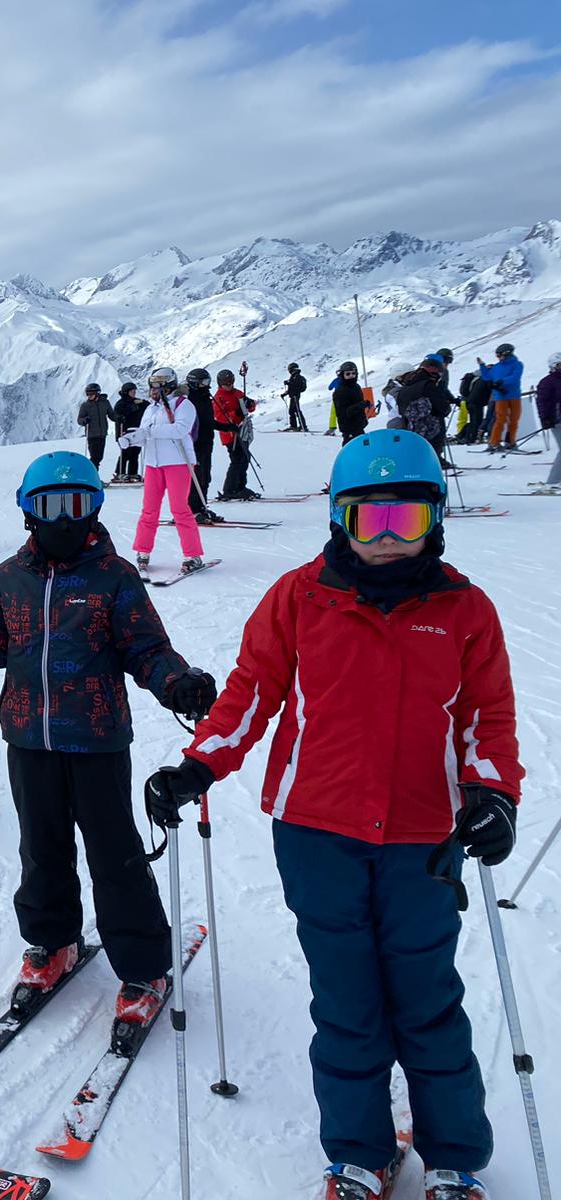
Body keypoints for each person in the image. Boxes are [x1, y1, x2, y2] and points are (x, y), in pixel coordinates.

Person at [145, 430, 521, 1200]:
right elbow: (250, 693)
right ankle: (360, 1151)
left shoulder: (464, 611)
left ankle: (451, 1156)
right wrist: (198, 765)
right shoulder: (299, 598)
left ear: (434, 520)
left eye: (405, 522)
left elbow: (488, 719)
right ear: (339, 520)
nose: (386, 541)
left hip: (423, 837)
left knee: (427, 999)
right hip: (316, 831)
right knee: (346, 999)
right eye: (369, 521)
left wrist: (492, 795)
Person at [0, 452, 215, 1023]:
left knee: (114, 853)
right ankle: (53, 942)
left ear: (94, 507)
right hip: (29, 739)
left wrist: (178, 684)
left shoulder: (114, 577)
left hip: (97, 741)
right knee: (41, 849)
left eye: (78, 505)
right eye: (51, 506)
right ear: (29, 511)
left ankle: (143, 963)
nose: (65, 520)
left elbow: (145, 649)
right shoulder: (10, 577)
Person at [119, 367, 205, 573]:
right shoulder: (151, 409)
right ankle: (143, 551)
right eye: (152, 387)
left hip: (177, 462)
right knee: (149, 510)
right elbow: (146, 434)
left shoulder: (184, 404)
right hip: (153, 463)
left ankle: (193, 555)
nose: (153, 392)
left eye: (158, 387)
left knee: (179, 509)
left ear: (168, 387)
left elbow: (180, 429)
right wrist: (132, 439)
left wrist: (148, 432)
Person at [393, 355, 454, 466]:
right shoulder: (427, 385)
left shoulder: (404, 388)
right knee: (431, 454)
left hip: (411, 430)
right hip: (431, 430)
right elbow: (443, 407)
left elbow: (401, 411)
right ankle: (436, 463)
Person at [213, 368, 259, 501]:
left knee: (244, 458)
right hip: (230, 435)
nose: (229, 385)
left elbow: (249, 407)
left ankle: (240, 487)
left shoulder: (237, 393)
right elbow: (220, 417)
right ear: (220, 383)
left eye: (231, 382)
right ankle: (230, 489)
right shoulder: (218, 398)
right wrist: (236, 413)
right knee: (237, 460)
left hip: (242, 431)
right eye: (225, 383)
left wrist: (250, 404)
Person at [184, 368, 223, 524]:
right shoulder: (190, 402)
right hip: (195, 445)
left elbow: (209, 422)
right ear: (195, 383)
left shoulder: (206, 398)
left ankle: (201, 507)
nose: (206, 385)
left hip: (207, 443)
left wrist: (228, 427)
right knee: (196, 478)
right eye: (203, 382)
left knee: (206, 477)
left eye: (207, 382)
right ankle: (190, 510)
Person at [479, 342, 524, 450]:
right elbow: (487, 377)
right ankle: (494, 442)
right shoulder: (497, 367)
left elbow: (515, 377)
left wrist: (501, 382)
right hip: (500, 397)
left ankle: (510, 441)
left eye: (500, 355)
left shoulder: (517, 364)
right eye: (497, 355)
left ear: (507, 354)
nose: (498, 358)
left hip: (514, 396)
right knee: (500, 420)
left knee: (514, 420)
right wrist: (482, 366)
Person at [111, 381, 146, 482]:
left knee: (135, 453)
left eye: (135, 390)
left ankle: (132, 473)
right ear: (126, 392)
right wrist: (134, 406)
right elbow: (117, 415)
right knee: (125, 453)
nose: (134, 392)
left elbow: (148, 407)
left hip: (135, 432)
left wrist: (142, 402)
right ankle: (119, 473)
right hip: (124, 432)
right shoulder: (121, 403)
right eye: (132, 391)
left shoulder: (137, 401)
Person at [77, 382, 115, 470]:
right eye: (87, 394)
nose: (89, 396)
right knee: (95, 457)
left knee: (99, 457)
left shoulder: (105, 403)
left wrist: (119, 418)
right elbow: (79, 420)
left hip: (102, 434)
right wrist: (85, 420)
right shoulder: (85, 406)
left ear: (97, 393)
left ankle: (93, 475)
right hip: (92, 435)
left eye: (91, 393)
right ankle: (91, 475)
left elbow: (111, 415)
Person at [331, 361, 369, 444]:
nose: (351, 376)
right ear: (342, 375)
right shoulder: (340, 391)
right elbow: (345, 412)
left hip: (359, 426)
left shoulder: (356, 387)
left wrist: (363, 418)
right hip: (349, 429)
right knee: (352, 452)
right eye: (348, 374)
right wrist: (362, 405)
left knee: (364, 451)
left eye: (353, 373)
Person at [537, 351, 561, 434]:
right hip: (557, 419)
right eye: (560, 365)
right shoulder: (546, 382)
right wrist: (545, 418)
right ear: (553, 366)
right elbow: (542, 402)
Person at [282, 362, 309, 432]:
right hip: (294, 395)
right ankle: (300, 426)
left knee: (295, 411)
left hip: (295, 396)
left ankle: (299, 426)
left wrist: (288, 383)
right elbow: (292, 388)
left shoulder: (296, 377)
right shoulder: (295, 376)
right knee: (294, 410)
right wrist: (284, 394)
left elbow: (294, 386)